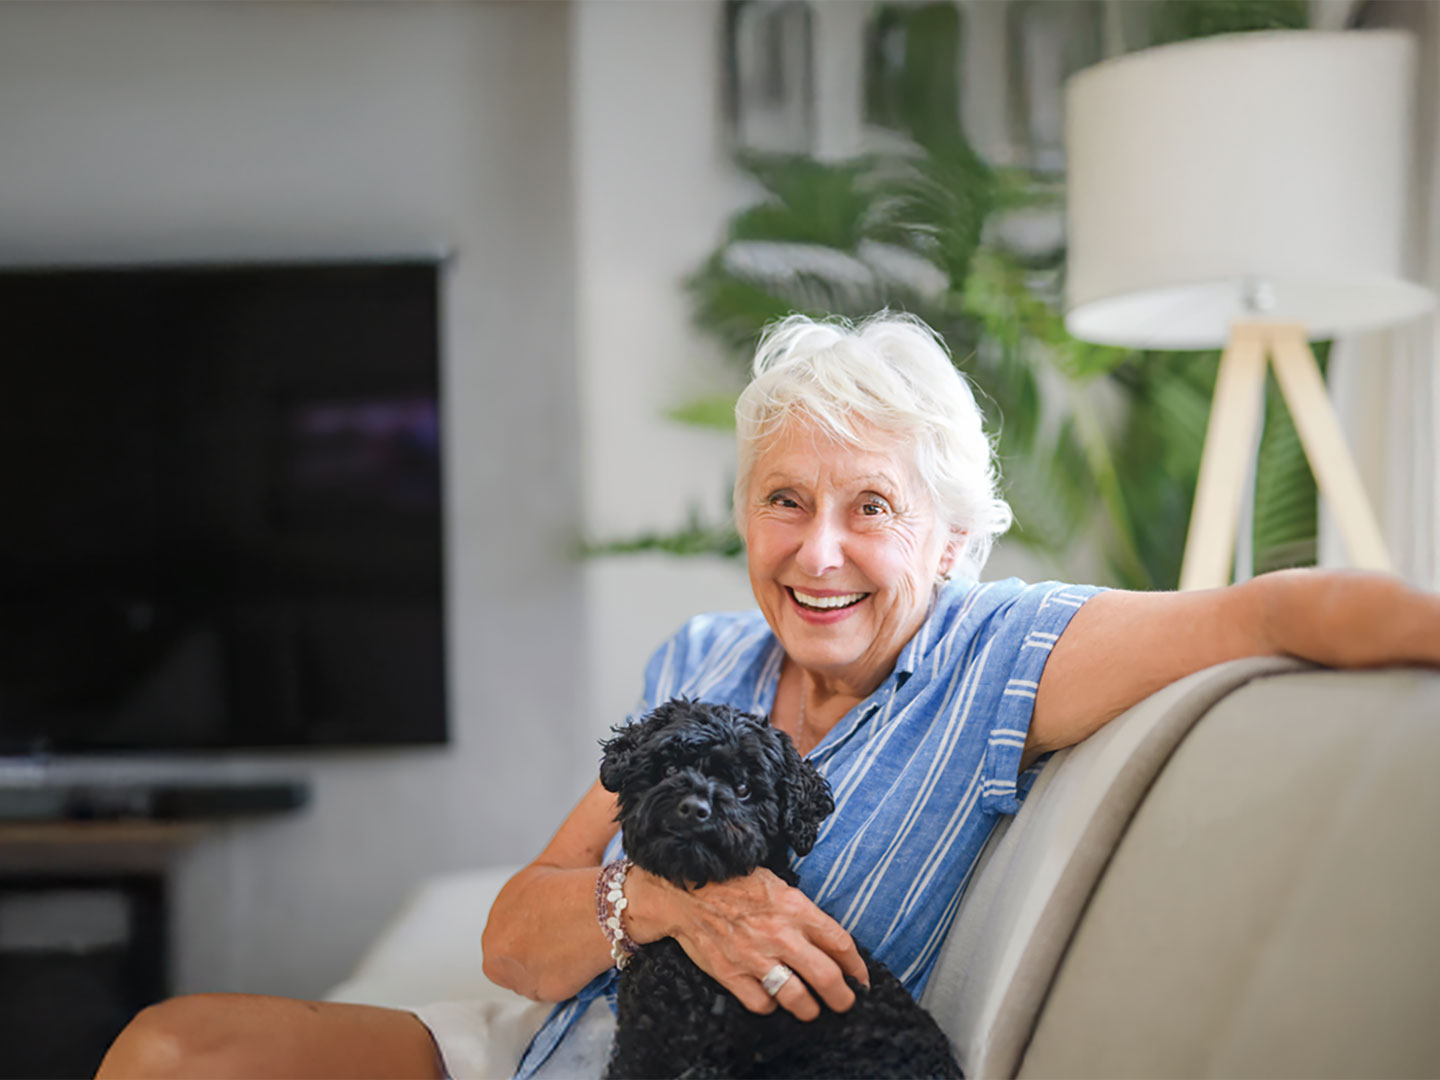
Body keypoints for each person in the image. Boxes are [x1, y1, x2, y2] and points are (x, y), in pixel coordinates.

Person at [98, 312, 1440, 1079]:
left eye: (872, 509)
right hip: (540, 1045)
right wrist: (671, 900)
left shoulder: (1002, 654)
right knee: (170, 1049)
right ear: (744, 516)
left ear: (952, 539)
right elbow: (518, 933)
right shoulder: (700, 663)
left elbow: (1277, 608)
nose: (819, 552)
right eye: (784, 502)